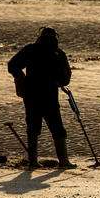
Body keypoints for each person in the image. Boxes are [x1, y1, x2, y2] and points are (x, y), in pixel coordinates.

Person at [8, 27, 76, 169]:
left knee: (32, 128)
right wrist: (56, 82)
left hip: (31, 95)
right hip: (49, 96)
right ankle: (64, 162)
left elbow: (12, 65)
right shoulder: (58, 53)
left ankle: (33, 162)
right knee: (57, 128)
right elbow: (66, 78)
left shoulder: (30, 50)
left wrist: (22, 78)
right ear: (55, 38)